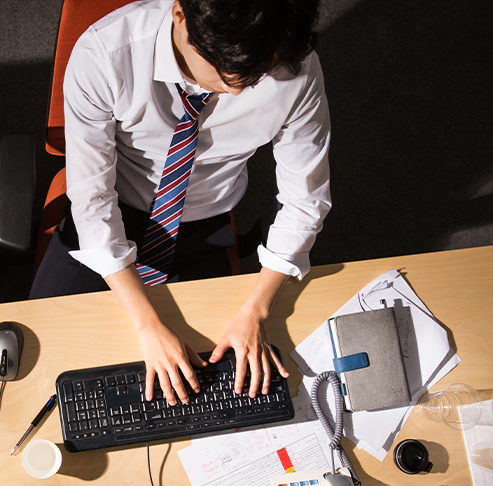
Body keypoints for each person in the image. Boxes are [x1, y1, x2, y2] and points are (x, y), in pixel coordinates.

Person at [30, 0, 330, 407]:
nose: (240, 90)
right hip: (115, 208)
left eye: (257, 76)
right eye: (226, 73)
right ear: (179, 17)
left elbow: (305, 199)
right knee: (45, 358)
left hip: (203, 223)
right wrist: (147, 324)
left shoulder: (294, 65)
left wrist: (255, 312)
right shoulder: (104, 54)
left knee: (214, 392)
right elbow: (92, 200)